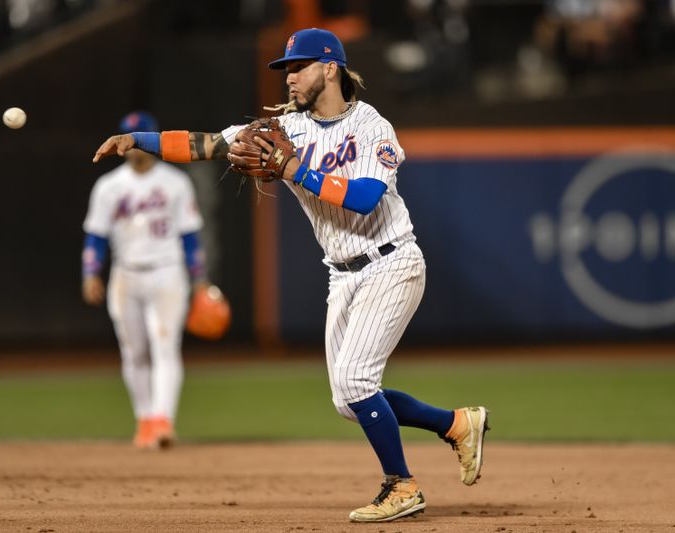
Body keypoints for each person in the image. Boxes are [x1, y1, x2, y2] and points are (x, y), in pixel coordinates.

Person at [92, 29, 489, 522]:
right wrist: (141, 141)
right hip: (341, 275)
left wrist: (297, 170)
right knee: (349, 399)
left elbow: (365, 196)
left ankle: (402, 485)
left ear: (330, 68)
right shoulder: (287, 128)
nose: (290, 76)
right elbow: (206, 144)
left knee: (354, 381)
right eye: (285, 68)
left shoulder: (371, 126)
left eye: (298, 66)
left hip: (391, 262)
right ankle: (455, 424)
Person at [83, 111, 207, 450]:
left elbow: (190, 235)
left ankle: (163, 420)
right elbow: (95, 235)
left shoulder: (175, 182)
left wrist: (199, 281)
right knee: (134, 352)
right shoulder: (109, 186)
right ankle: (145, 420)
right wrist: (90, 272)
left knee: (165, 347)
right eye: (128, 136)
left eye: (139, 137)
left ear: (151, 139)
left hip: (167, 272)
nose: (132, 144)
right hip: (126, 275)